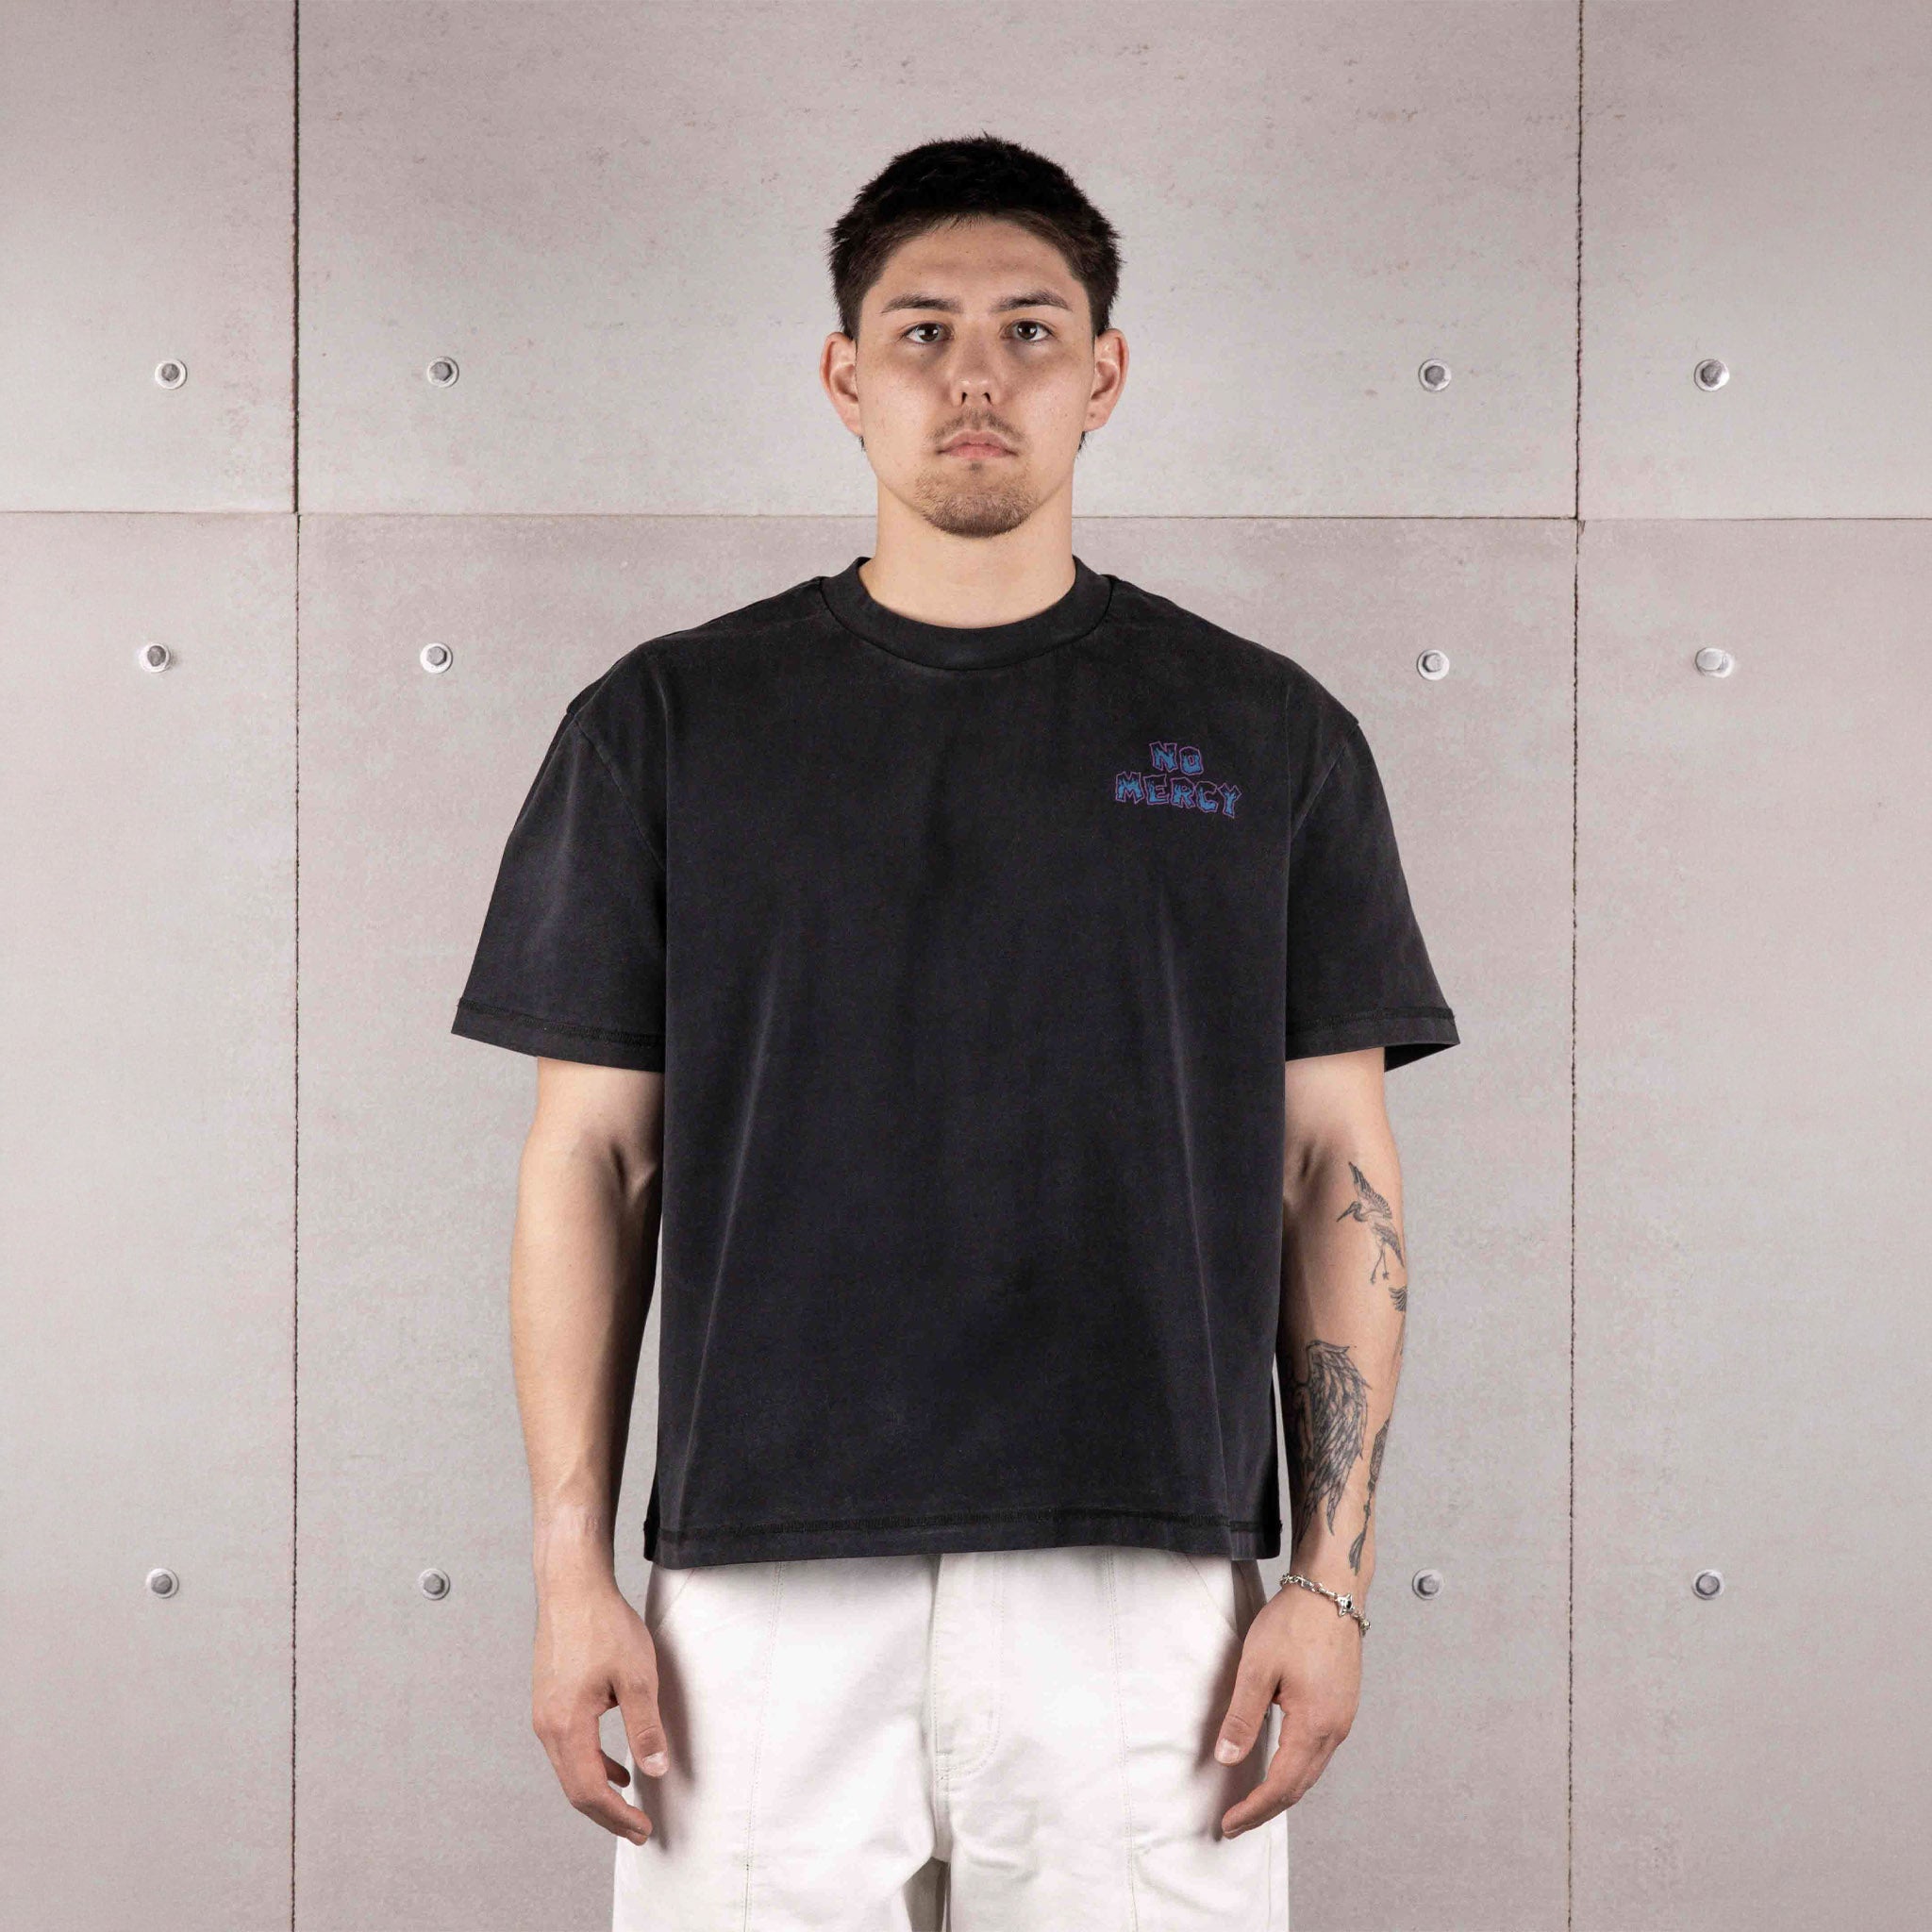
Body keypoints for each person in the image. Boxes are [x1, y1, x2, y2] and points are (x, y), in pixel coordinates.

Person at [451, 132, 1458, 1931]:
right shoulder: (666, 724)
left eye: (1029, 331)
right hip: (756, 1580)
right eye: (923, 332)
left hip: (1144, 1573)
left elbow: (1335, 1172)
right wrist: (566, 1569)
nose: (976, 376)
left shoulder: (1266, 733)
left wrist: (1333, 1580)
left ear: (1104, 375)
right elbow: (589, 1163)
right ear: (846, 378)